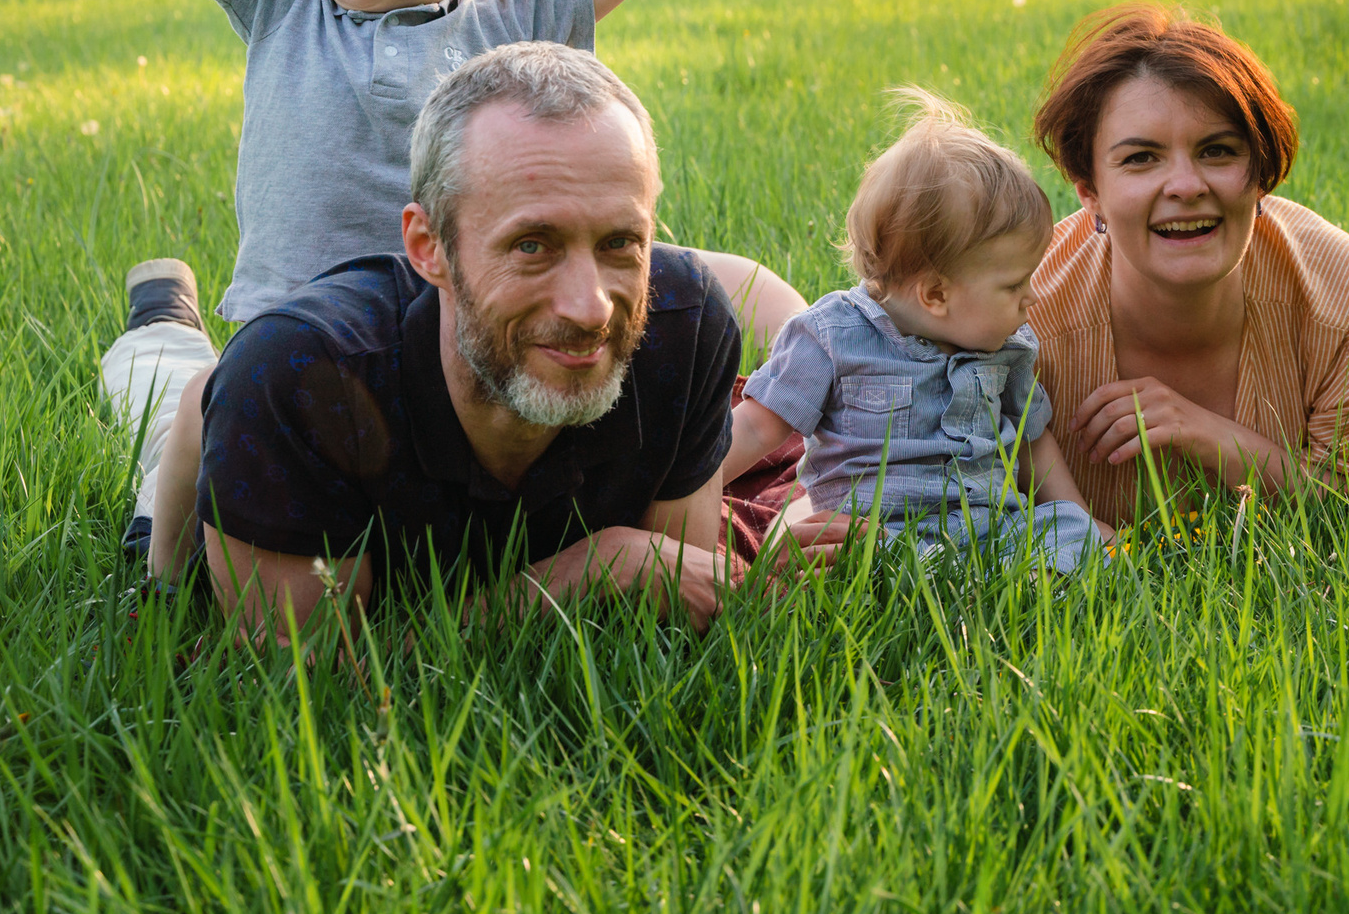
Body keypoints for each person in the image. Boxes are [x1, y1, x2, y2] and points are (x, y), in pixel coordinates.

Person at [0, 0, 838, 548]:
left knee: (730, 279)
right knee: (188, 410)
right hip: (301, 344)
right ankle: (158, 407)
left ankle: (834, 378)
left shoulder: (516, 22)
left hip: (449, 339)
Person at [134, 43, 838, 640]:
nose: (591, 309)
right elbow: (318, 682)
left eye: (621, 241)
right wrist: (591, 568)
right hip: (222, 442)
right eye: (533, 245)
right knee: (182, 397)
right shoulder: (294, 385)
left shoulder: (684, 331)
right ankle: (162, 326)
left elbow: (668, 608)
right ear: (428, 244)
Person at [1023, 4, 1349, 525]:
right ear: (1090, 192)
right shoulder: (1021, 310)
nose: (1186, 185)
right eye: (1141, 158)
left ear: (1261, 173)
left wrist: (1211, 435)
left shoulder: (1338, 284)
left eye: (1218, 151)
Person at [719, 92, 1110, 573]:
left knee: (1071, 532)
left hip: (989, 530)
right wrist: (683, 500)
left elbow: (1032, 440)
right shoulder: (830, 336)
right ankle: (948, 587)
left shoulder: (1008, 347)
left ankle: (999, 581)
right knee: (846, 559)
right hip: (879, 534)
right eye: (1013, 285)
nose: (1033, 297)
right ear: (936, 295)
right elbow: (758, 426)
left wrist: (1083, 519)